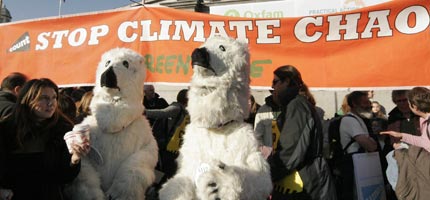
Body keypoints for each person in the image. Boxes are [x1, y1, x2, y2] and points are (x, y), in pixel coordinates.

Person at [0, 78, 88, 200]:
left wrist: (75, 159)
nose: (51, 103)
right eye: (44, 98)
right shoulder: (7, 129)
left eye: (54, 98)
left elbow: (64, 177)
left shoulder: (62, 129)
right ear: (28, 99)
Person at [268, 65, 336, 200]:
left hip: (305, 183)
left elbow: (291, 150)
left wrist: (267, 174)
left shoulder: (297, 105)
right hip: (297, 181)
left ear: (286, 81)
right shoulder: (294, 105)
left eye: (275, 82)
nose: (272, 86)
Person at [381, 87, 430, 199]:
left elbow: (425, 142)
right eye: (399, 101)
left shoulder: (422, 118)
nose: (403, 104)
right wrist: (400, 137)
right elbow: (424, 140)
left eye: (405, 100)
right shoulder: (393, 117)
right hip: (407, 159)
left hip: (421, 158)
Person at [338, 91, 378, 199]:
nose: (369, 105)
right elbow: (370, 146)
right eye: (365, 102)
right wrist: (371, 143)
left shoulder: (359, 119)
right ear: (354, 104)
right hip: (353, 164)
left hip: (360, 163)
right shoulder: (349, 120)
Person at [254, 92, 281, 158]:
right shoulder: (263, 110)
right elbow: (257, 136)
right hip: (268, 156)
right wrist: (265, 152)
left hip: (286, 155)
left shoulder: (290, 109)